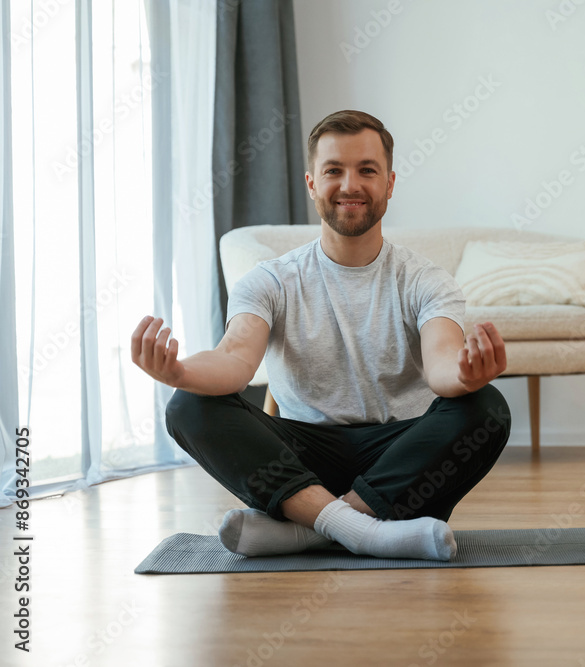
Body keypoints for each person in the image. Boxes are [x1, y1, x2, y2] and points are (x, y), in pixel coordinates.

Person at [131, 110, 511, 562]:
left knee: (486, 407)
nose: (350, 185)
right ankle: (367, 531)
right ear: (312, 184)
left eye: (367, 170)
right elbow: (234, 361)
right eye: (334, 170)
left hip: (399, 461)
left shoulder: (426, 280)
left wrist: (467, 375)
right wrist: (178, 370)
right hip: (299, 466)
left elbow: (443, 363)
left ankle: (309, 531)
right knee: (188, 403)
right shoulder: (269, 280)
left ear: (389, 184)